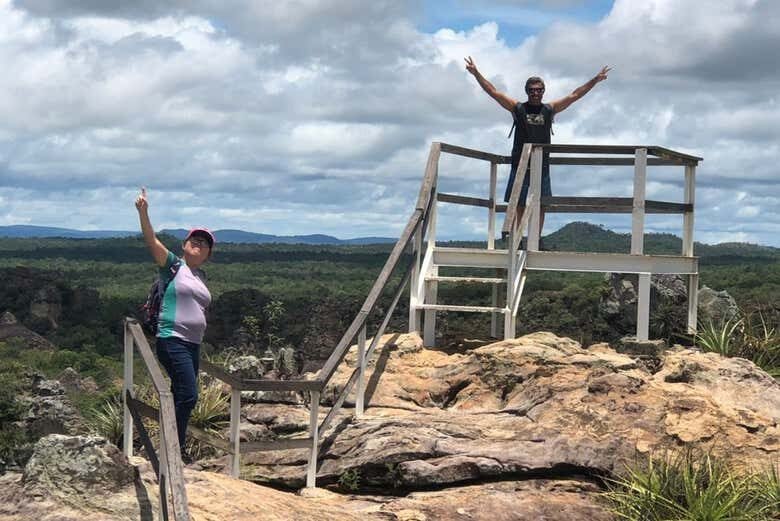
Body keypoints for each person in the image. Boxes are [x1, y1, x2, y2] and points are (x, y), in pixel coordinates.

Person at [464, 56, 610, 239]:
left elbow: (575, 95)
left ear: (543, 91)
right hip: (520, 162)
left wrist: (595, 80)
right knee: (518, 201)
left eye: (539, 90)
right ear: (527, 91)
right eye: (532, 90)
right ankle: (517, 237)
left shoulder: (549, 109)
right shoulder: (518, 108)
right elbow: (493, 92)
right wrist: (476, 73)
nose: (535, 93)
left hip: (542, 164)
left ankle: (535, 239)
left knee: (541, 203)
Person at [134, 187, 214, 462]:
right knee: (188, 394)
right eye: (195, 239)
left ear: (207, 255)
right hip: (172, 339)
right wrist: (144, 212)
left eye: (205, 243)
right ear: (184, 245)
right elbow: (151, 241)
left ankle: (174, 447)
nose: (199, 243)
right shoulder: (173, 267)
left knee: (186, 395)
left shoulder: (200, 277)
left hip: (192, 345)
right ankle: (173, 449)